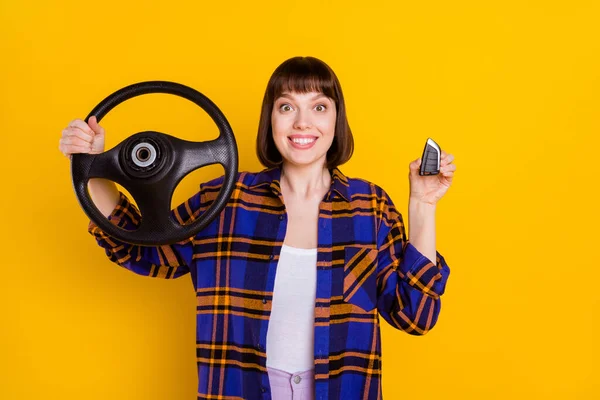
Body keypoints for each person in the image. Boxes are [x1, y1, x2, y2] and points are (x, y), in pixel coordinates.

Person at [59, 56, 454, 400]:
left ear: (337, 119)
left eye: (319, 107)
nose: (303, 122)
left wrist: (422, 203)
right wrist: (93, 167)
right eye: (287, 107)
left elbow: (415, 314)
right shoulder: (225, 200)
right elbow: (141, 250)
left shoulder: (372, 208)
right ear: (271, 118)